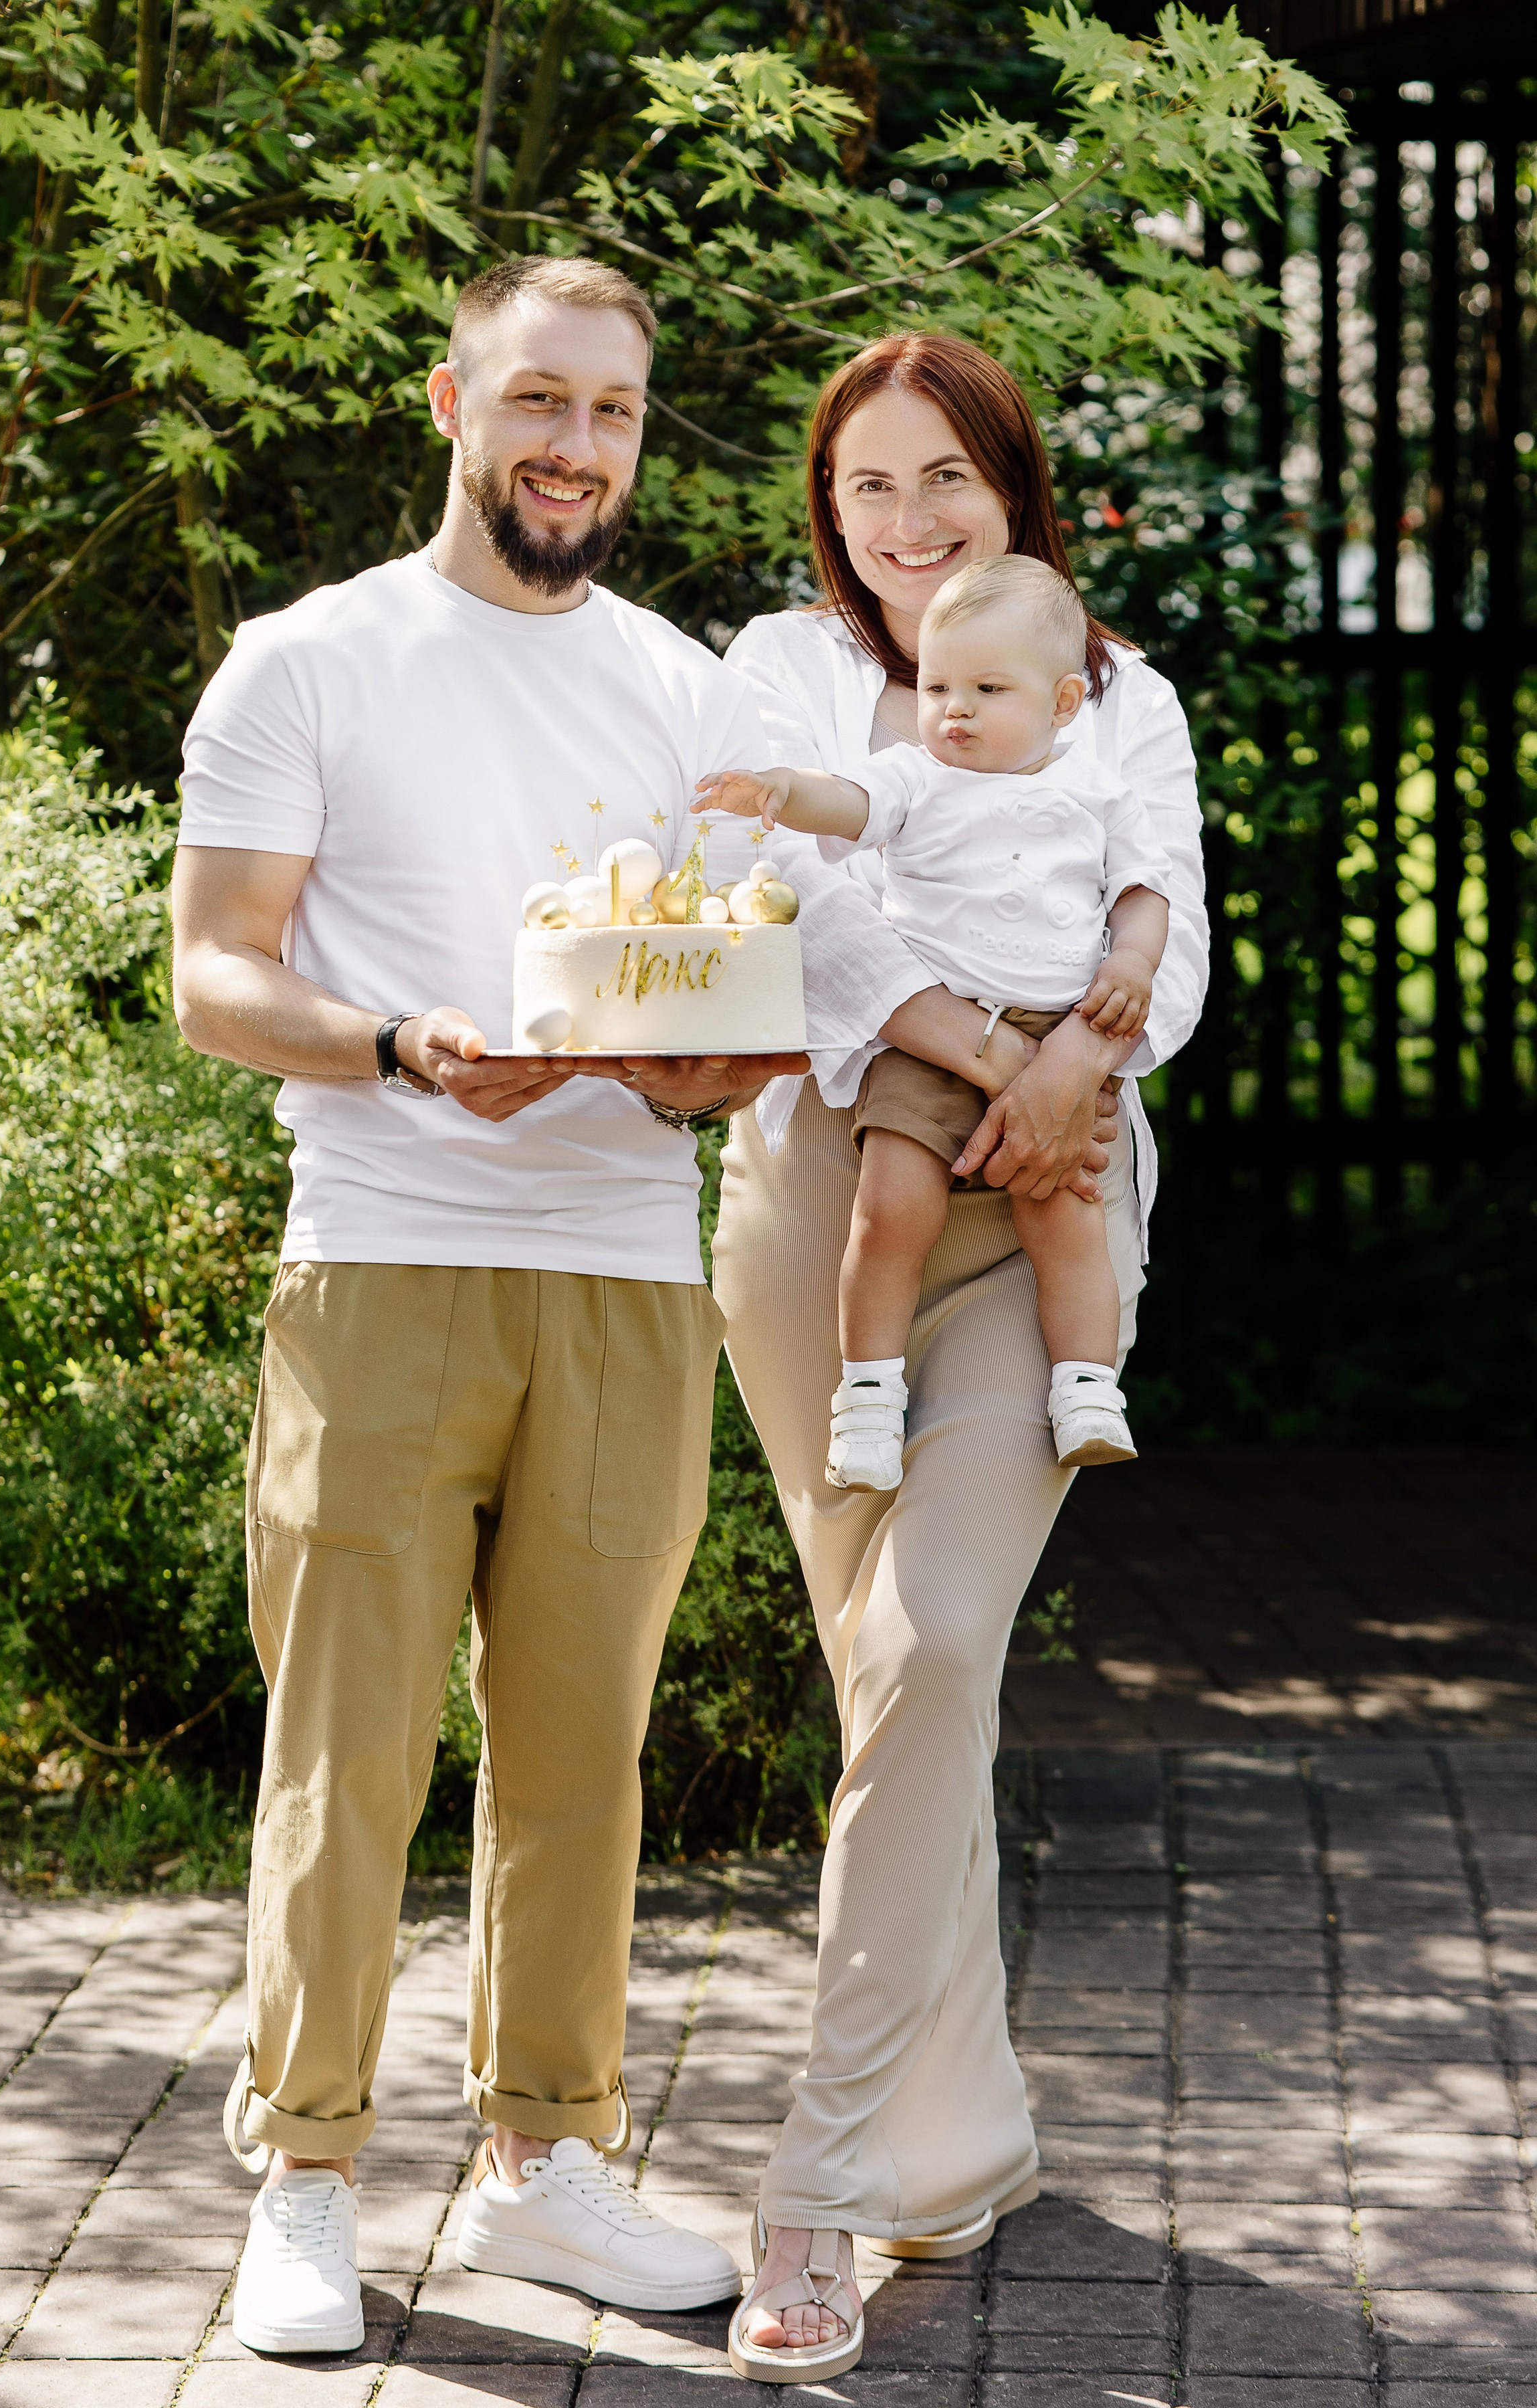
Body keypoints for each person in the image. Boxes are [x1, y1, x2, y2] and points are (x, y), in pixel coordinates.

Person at [169, 252, 805, 2358]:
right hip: (383, 1256)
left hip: (625, 1272)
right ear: (454, 400)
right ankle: (310, 2177)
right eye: (540, 401)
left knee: (581, 1756)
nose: (572, 446)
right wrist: (402, 1048)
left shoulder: (694, 693)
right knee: (344, 1748)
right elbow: (215, 973)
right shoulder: (310, 659)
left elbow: (733, 971)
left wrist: (720, 1064)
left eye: (612, 413)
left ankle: (543, 2165)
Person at [709, 332, 1208, 2380]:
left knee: (925, 1656)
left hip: (1056, 1206)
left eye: (946, 484)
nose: (906, 527)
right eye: (866, 493)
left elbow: (1173, 935)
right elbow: (806, 915)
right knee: (898, 1684)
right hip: (827, 1214)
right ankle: (964, 2134)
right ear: (827, 519)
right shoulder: (785, 672)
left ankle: (816, 2189)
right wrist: (1009, 1049)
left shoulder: (1117, 686)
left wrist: (1079, 1059)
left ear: (1014, 487)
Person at [696, 554, 1171, 1491]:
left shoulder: (1099, 791)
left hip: (1049, 1029)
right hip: (927, 1039)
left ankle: (1086, 1389)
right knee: (889, 1213)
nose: (953, 709)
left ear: (1064, 703)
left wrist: (1130, 964)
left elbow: (1147, 893)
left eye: (988, 690)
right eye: (939, 685)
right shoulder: (918, 776)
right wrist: (787, 792)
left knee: (1064, 1220)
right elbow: (852, 805)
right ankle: (869, 1395)